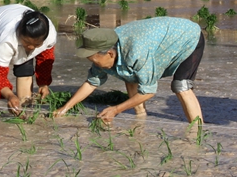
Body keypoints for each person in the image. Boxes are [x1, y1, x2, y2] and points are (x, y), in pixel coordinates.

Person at [54, 16, 205, 123]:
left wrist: (116, 109)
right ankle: (141, 118)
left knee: (181, 85)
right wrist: (65, 108)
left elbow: (149, 91)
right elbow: (91, 83)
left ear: (110, 53)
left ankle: (197, 133)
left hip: (188, 38)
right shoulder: (105, 51)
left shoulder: (136, 52)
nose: (93, 63)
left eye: (93, 59)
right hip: (156, 40)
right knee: (129, 74)